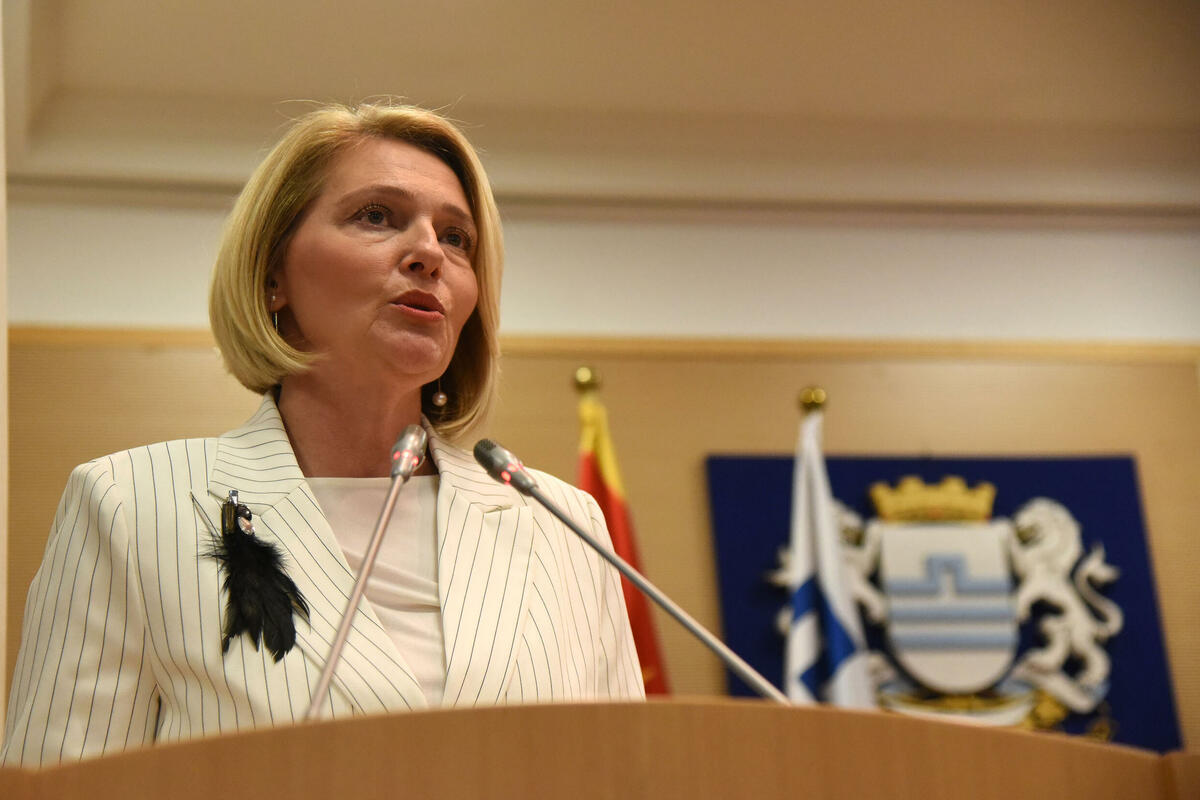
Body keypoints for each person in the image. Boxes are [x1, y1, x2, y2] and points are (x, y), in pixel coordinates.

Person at [2, 102, 645, 767]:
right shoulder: (129, 506)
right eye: (377, 216)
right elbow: (57, 781)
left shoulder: (562, 525)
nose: (430, 252)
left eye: (456, 237)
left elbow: (630, 774)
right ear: (272, 274)